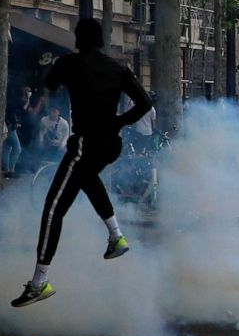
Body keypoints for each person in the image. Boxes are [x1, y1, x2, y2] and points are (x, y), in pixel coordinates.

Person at [11, 18, 152, 308]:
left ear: (78, 39)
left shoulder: (69, 64)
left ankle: (39, 283)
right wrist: (117, 123)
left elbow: (49, 83)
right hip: (110, 144)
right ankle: (116, 235)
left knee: (53, 209)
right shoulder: (118, 69)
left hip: (85, 143)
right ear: (101, 40)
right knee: (87, 179)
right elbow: (145, 103)